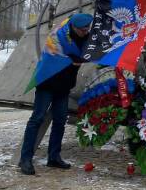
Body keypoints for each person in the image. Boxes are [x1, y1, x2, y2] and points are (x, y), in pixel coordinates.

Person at [19, 13, 93, 175]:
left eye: (88, 28)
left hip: (64, 86)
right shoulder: (58, 37)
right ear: (73, 27)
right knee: (37, 118)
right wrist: (76, 59)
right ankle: (25, 159)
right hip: (48, 82)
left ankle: (53, 157)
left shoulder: (85, 37)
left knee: (60, 120)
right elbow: (71, 58)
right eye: (83, 29)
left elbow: (85, 54)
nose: (86, 32)